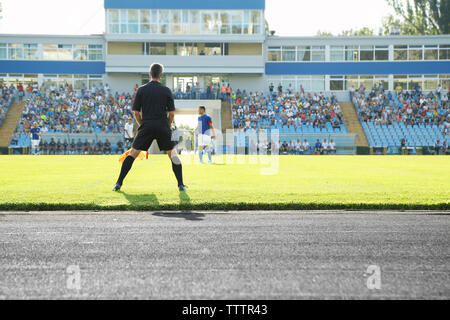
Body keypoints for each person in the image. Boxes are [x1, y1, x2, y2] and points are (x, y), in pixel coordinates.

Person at [113, 63, 187, 192]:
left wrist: (143, 125)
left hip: (146, 124)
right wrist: (168, 125)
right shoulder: (166, 90)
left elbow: (136, 112)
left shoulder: (141, 89)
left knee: (132, 154)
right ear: (161, 75)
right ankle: (181, 185)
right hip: (163, 125)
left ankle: (118, 183)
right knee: (173, 155)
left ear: (150, 73)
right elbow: (172, 113)